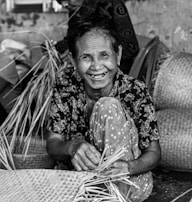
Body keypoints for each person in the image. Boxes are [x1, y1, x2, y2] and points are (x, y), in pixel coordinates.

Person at [46, 2, 161, 201]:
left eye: (105, 55)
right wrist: (72, 147)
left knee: (107, 106)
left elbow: (154, 153)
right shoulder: (66, 85)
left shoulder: (134, 91)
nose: (97, 66)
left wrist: (129, 167)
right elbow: (53, 143)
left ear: (119, 55)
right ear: (74, 62)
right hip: (80, 184)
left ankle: (112, 196)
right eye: (86, 57)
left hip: (128, 183)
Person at [51, 0, 139, 74]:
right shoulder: (76, 10)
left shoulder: (111, 4)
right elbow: (72, 40)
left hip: (115, 70)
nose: (65, 4)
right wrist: (54, 48)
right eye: (60, 1)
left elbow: (131, 48)